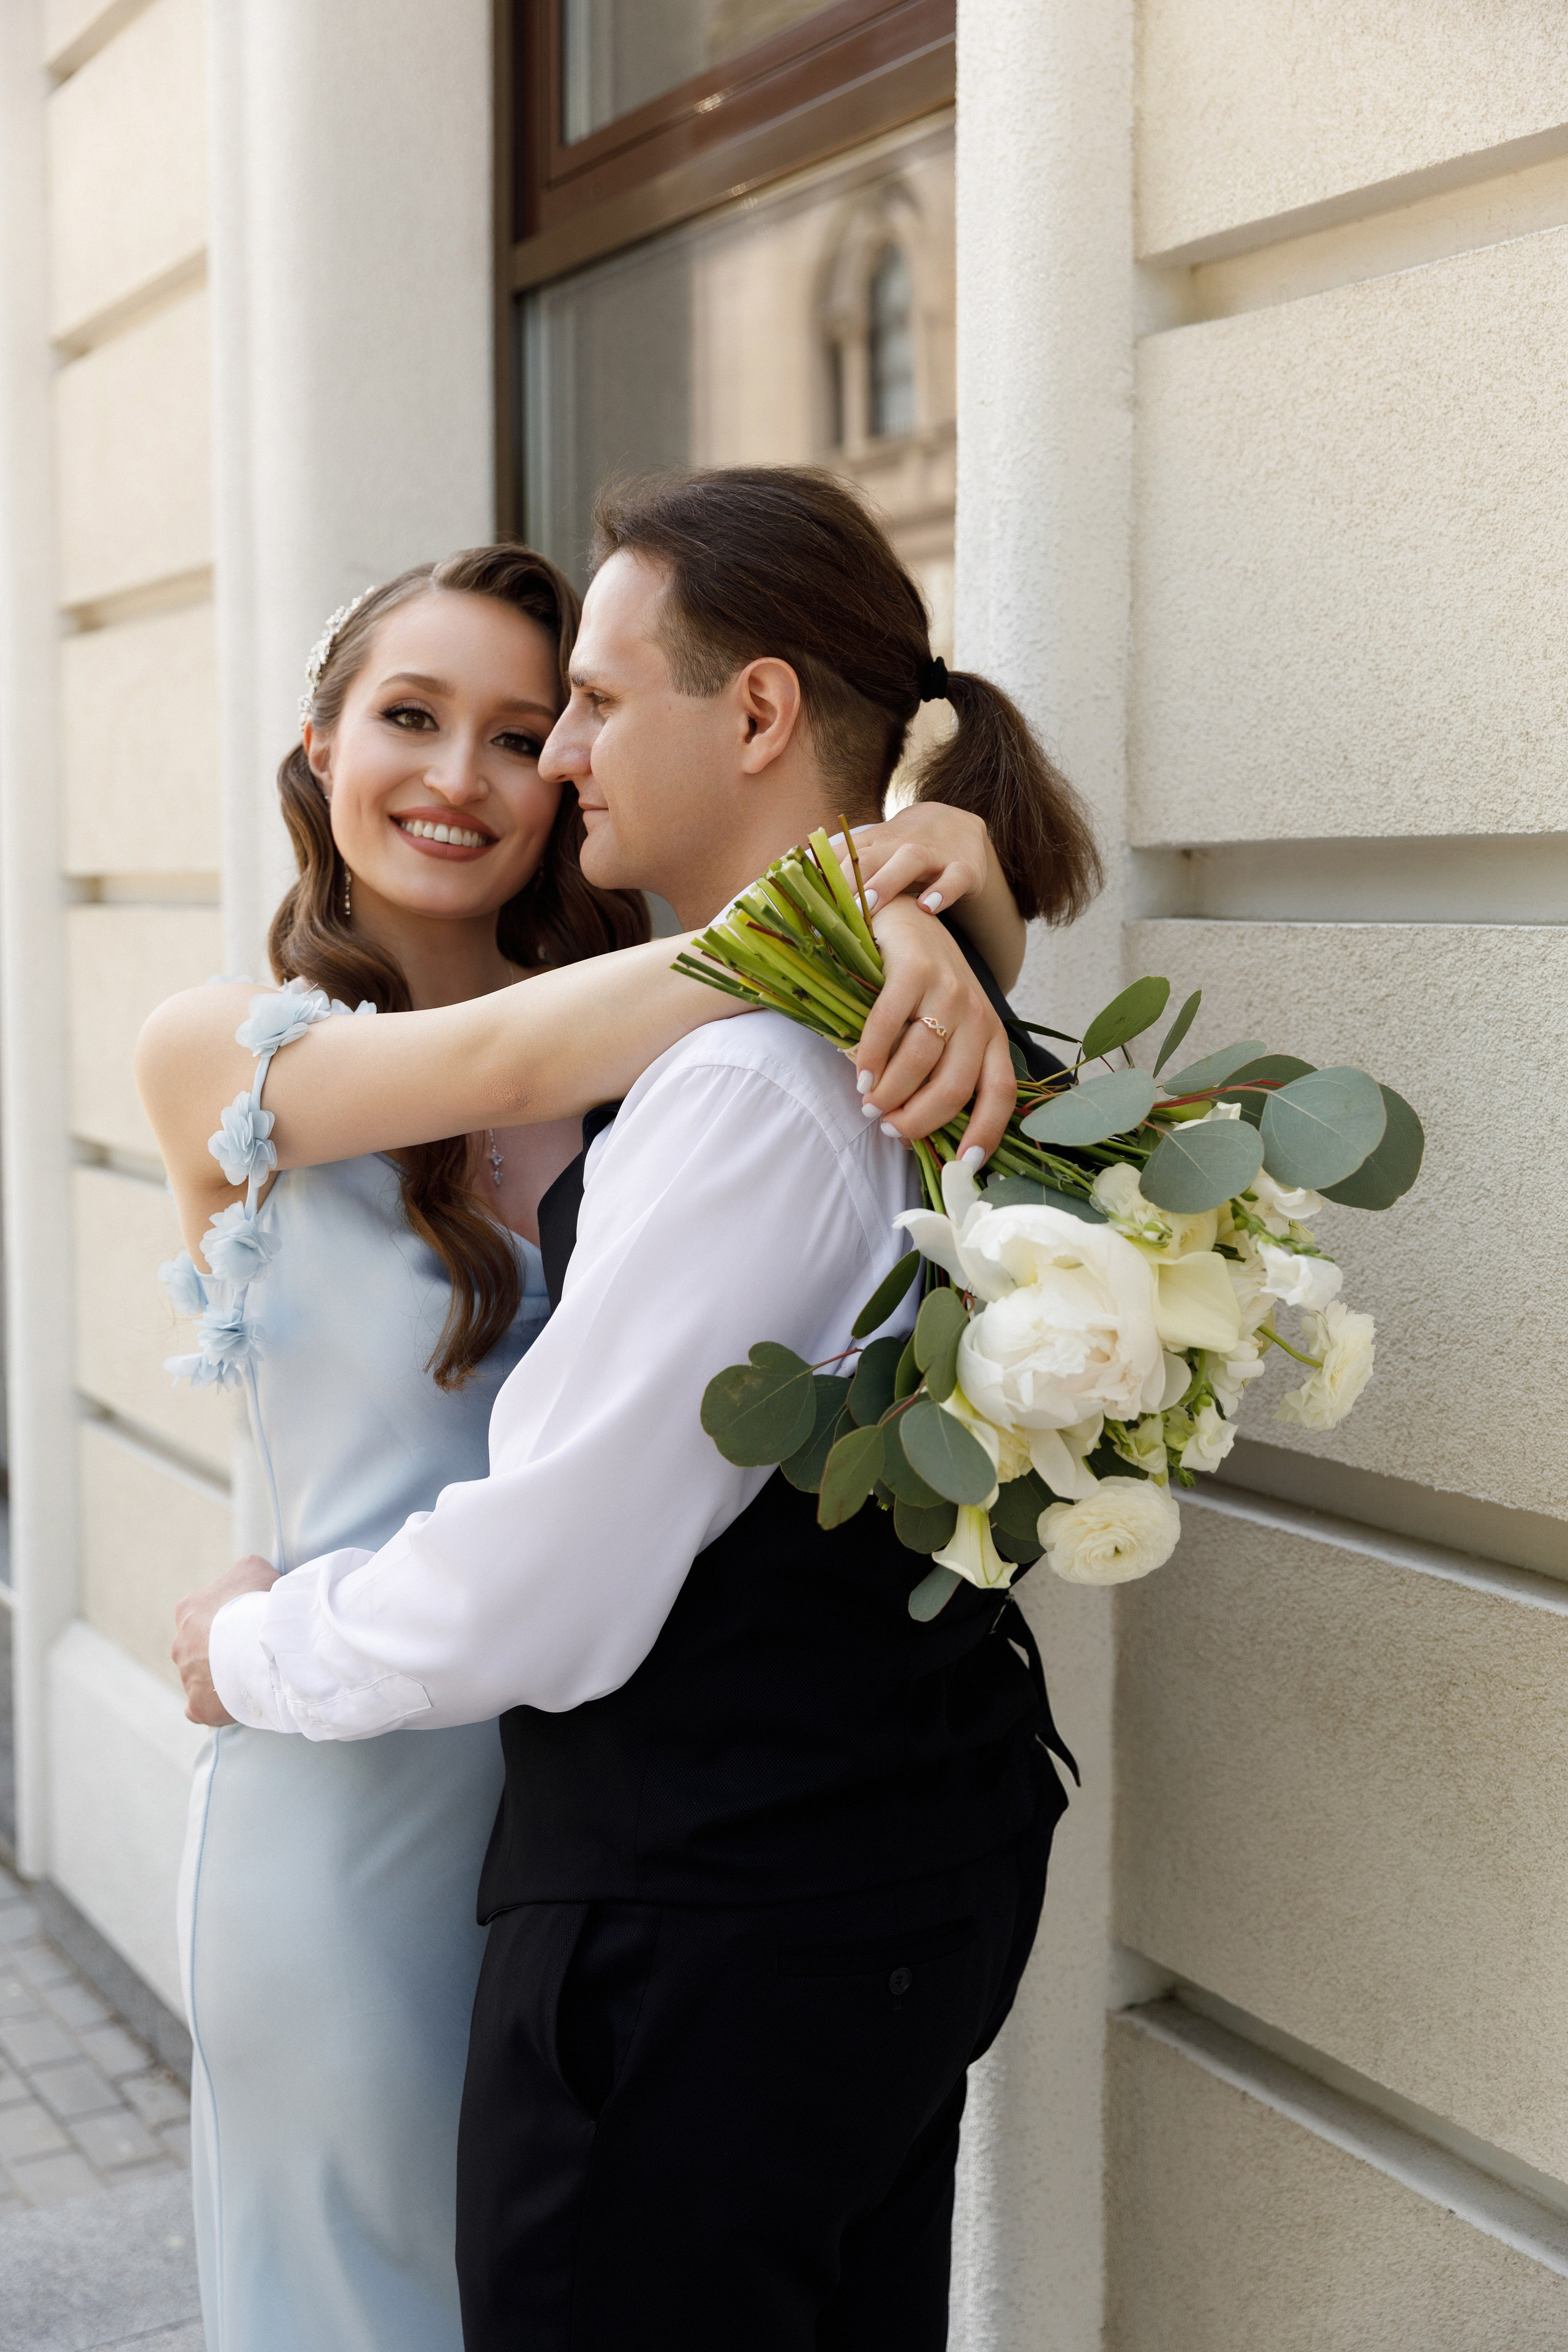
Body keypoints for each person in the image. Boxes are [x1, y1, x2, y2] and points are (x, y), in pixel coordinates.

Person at [169, 469, 1102, 2351]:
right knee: (370, 2284)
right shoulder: (235, 1045)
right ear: (317, 740)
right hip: (355, 1769)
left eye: (543, 726)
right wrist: (886, 892)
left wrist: (913, 884)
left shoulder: (660, 1043)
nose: (482, 772)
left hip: (578, 1782)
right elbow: (500, 1055)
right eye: (408, 717)